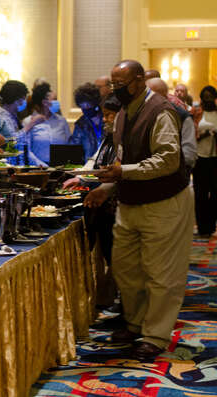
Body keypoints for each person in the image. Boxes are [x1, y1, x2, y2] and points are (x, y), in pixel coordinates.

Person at [85, 60, 193, 361]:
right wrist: (105, 188)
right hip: (131, 202)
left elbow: (168, 160)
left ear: (138, 80)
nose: (115, 90)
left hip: (165, 201)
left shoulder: (161, 111)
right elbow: (124, 159)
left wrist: (123, 172)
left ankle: (155, 335)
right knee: (125, 268)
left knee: (162, 274)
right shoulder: (122, 113)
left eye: (121, 84)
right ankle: (134, 323)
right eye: (113, 84)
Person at [63, 94, 122, 309]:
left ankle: (125, 309)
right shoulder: (109, 136)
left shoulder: (125, 137)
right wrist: (79, 177)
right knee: (110, 255)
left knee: (119, 260)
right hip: (104, 205)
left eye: (109, 115)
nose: (104, 119)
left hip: (118, 206)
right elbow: (95, 161)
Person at [146, 78, 197, 174]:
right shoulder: (144, 112)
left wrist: (172, 167)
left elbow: (189, 154)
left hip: (173, 177)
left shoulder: (182, 115)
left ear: (164, 96)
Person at [20, 82, 71, 166]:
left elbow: (69, 145)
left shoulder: (61, 121)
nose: (57, 102)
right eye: (54, 99)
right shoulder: (28, 121)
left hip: (61, 168)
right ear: (44, 102)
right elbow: (26, 150)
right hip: (38, 168)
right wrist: (42, 165)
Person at [191, 85, 217, 238]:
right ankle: (202, 226)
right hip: (200, 157)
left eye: (210, 96)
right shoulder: (196, 113)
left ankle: (211, 223)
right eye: (205, 96)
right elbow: (190, 134)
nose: (207, 99)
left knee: (214, 193)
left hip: (215, 157)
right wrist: (205, 134)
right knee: (200, 193)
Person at [69, 83, 104, 162]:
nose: (86, 110)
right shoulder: (81, 124)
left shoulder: (107, 119)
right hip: (88, 166)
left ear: (95, 103)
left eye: (88, 106)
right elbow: (73, 148)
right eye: (82, 107)